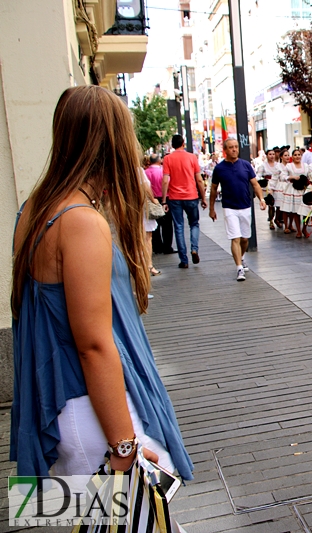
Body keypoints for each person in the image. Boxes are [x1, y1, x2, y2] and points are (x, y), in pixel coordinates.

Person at [11, 85, 193, 484]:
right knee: (139, 517)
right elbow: (93, 344)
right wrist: (124, 445)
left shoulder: (34, 209)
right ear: (115, 142)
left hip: (67, 406)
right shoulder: (81, 221)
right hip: (94, 413)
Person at [209, 138, 266, 281]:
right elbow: (214, 188)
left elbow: (255, 184)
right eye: (231, 147)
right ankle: (239, 268)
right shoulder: (219, 168)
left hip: (245, 206)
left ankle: (241, 257)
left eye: (236, 147)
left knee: (245, 238)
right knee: (235, 238)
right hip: (229, 207)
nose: (234, 150)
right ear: (225, 150)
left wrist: (262, 199)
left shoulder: (246, 165)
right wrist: (211, 208)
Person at [161, 134, 207, 268]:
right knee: (194, 224)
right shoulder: (192, 157)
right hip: (191, 196)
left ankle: (184, 260)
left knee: (179, 227)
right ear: (183, 143)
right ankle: (194, 249)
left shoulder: (168, 159)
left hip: (174, 198)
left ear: (172, 145)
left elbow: (165, 181)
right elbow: (199, 179)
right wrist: (203, 197)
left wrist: (164, 200)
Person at [144, 153, 175, 254]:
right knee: (167, 224)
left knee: (154, 223)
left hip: (150, 200)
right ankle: (167, 246)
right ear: (159, 161)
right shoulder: (163, 171)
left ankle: (157, 246)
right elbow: (168, 183)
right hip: (164, 198)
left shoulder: (145, 172)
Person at [282, 148, 310, 238]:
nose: (297, 156)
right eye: (295, 155)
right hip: (293, 189)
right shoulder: (289, 166)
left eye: (299, 155)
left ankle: (304, 228)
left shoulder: (305, 165)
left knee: (306, 211)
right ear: (292, 157)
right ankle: (298, 230)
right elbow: (282, 176)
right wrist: (292, 177)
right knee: (296, 211)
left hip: (304, 189)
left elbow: (309, 176)